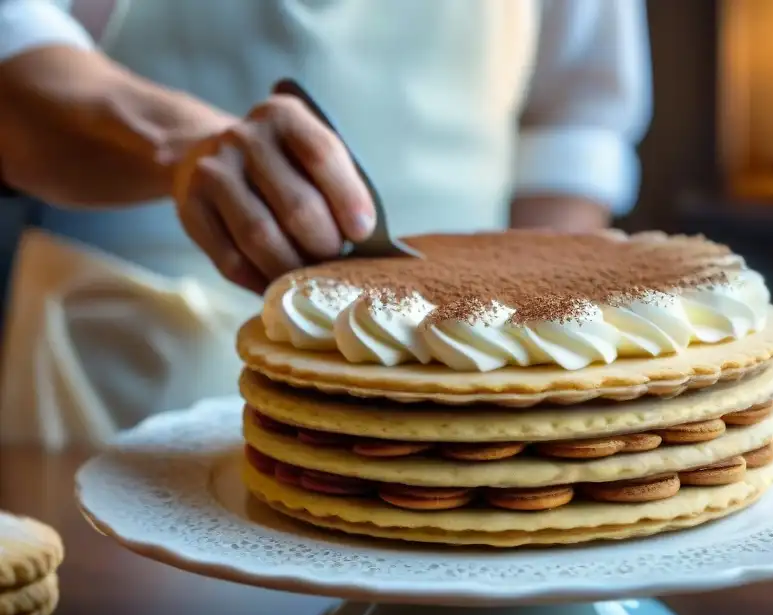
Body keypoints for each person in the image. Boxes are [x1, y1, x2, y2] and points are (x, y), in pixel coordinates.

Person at [0, 0, 652, 450]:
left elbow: (574, 124)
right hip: (125, 403)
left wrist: (531, 377)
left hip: (459, 399)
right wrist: (182, 146)